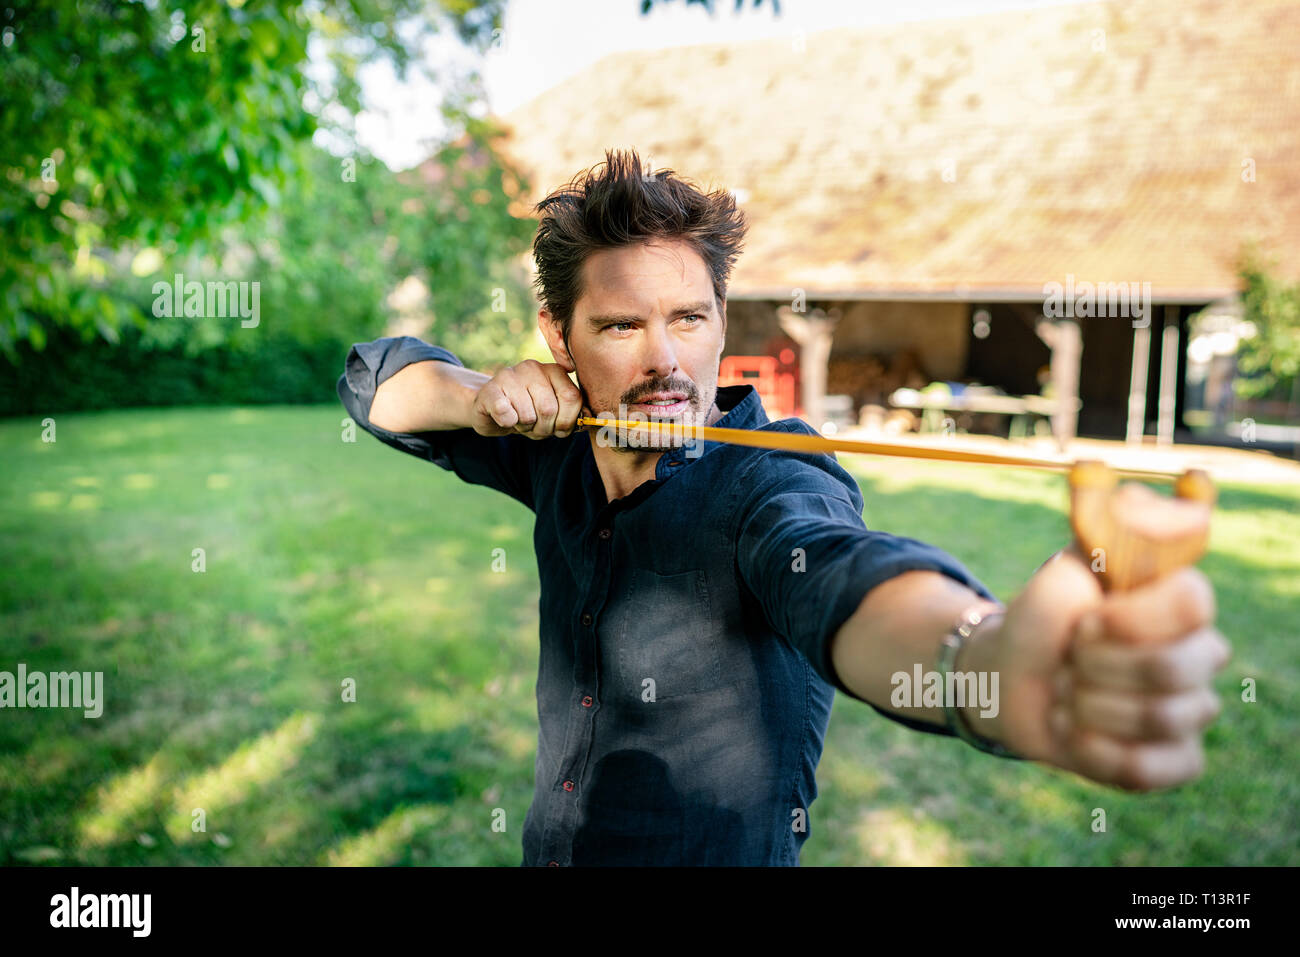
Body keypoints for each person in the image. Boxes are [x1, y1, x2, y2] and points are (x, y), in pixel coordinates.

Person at [337, 148, 1229, 866]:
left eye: (689, 318)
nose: (665, 362)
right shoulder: (557, 449)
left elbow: (846, 579)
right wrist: (481, 396)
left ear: (723, 317)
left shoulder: (772, 476)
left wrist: (985, 667)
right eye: (619, 326)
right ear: (556, 331)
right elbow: (373, 383)